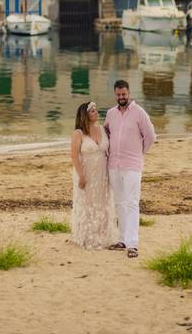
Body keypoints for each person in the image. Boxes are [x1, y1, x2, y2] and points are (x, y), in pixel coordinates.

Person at [103, 79, 156, 258]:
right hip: (114, 165)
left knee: (132, 202)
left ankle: (132, 244)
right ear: (115, 94)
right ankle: (123, 239)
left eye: (124, 94)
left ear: (129, 93)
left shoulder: (139, 113)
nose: (121, 97)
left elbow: (150, 136)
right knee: (119, 203)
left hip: (132, 165)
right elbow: (107, 133)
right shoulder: (110, 113)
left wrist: (140, 153)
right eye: (118, 95)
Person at [69, 101, 114, 249]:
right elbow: (74, 156)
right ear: (85, 115)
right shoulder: (78, 133)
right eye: (93, 110)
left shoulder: (103, 129)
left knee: (102, 202)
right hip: (86, 173)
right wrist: (81, 175)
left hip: (102, 173)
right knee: (87, 202)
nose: (96, 112)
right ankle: (86, 236)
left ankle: (101, 235)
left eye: (95, 109)